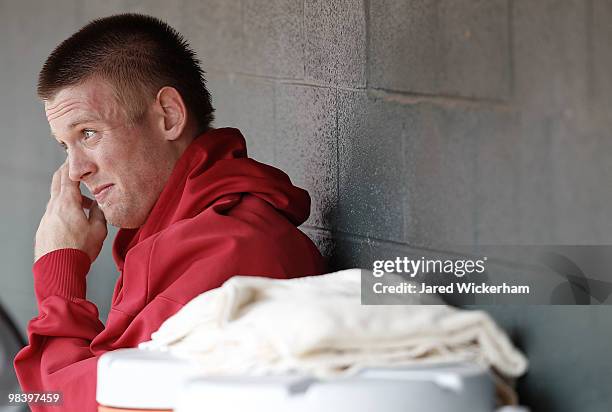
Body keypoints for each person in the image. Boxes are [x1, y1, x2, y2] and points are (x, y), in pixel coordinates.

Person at [14, 13, 325, 411]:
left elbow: (68, 402)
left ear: (169, 115)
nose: (76, 170)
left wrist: (60, 274)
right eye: (65, 145)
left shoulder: (230, 252)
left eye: (88, 133)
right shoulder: (172, 233)